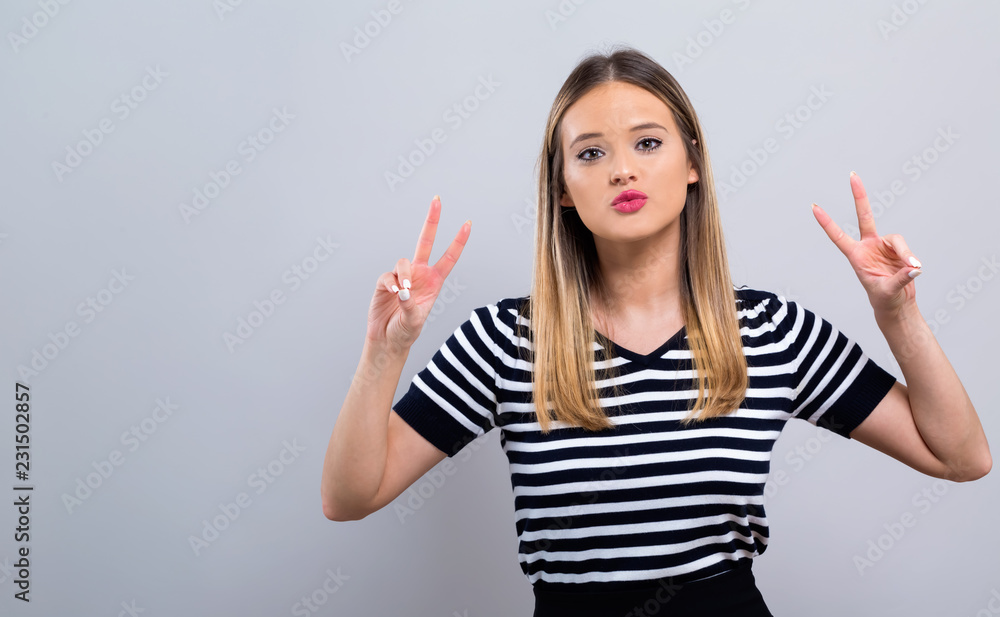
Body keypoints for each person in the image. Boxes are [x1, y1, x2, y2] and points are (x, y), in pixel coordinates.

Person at [321, 45, 992, 616]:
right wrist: (387, 349)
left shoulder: (767, 329)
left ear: (692, 163)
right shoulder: (502, 340)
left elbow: (962, 457)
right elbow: (349, 497)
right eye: (591, 153)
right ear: (561, 189)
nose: (622, 168)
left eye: (648, 142)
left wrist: (897, 314)